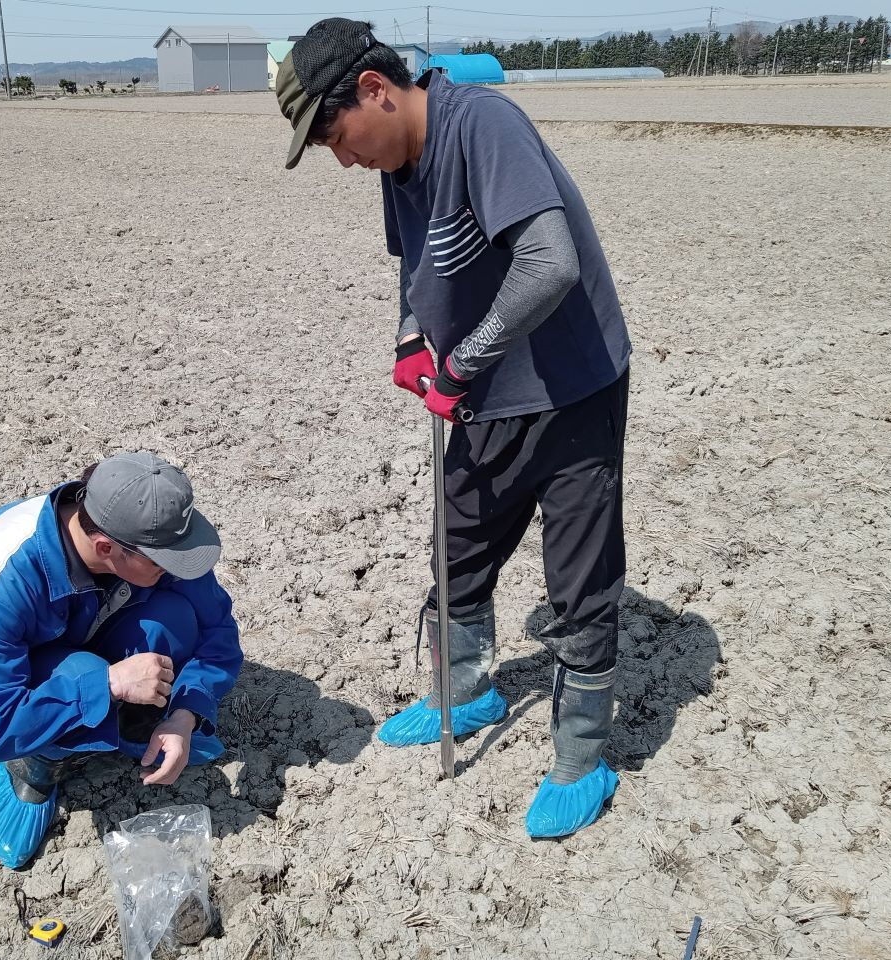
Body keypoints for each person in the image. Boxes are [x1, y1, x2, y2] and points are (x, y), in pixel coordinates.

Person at [276, 20, 632, 838]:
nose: (340, 156)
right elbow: (416, 261)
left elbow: (550, 262)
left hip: (568, 385)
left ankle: (583, 754)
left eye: (335, 135)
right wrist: (411, 337)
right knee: (460, 542)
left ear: (374, 89)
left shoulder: (483, 125)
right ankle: (465, 692)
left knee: (578, 577)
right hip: (482, 392)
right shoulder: (395, 162)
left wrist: (462, 362)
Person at [0, 452, 243, 868]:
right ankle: (35, 767)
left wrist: (185, 714)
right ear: (106, 548)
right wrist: (109, 684)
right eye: (164, 562)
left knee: (174, 621)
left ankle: (139, 724)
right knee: (86, 674)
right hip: (30, 675)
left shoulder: (143, 530)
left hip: (95, 624)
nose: (176, 567)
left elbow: (217, 629)